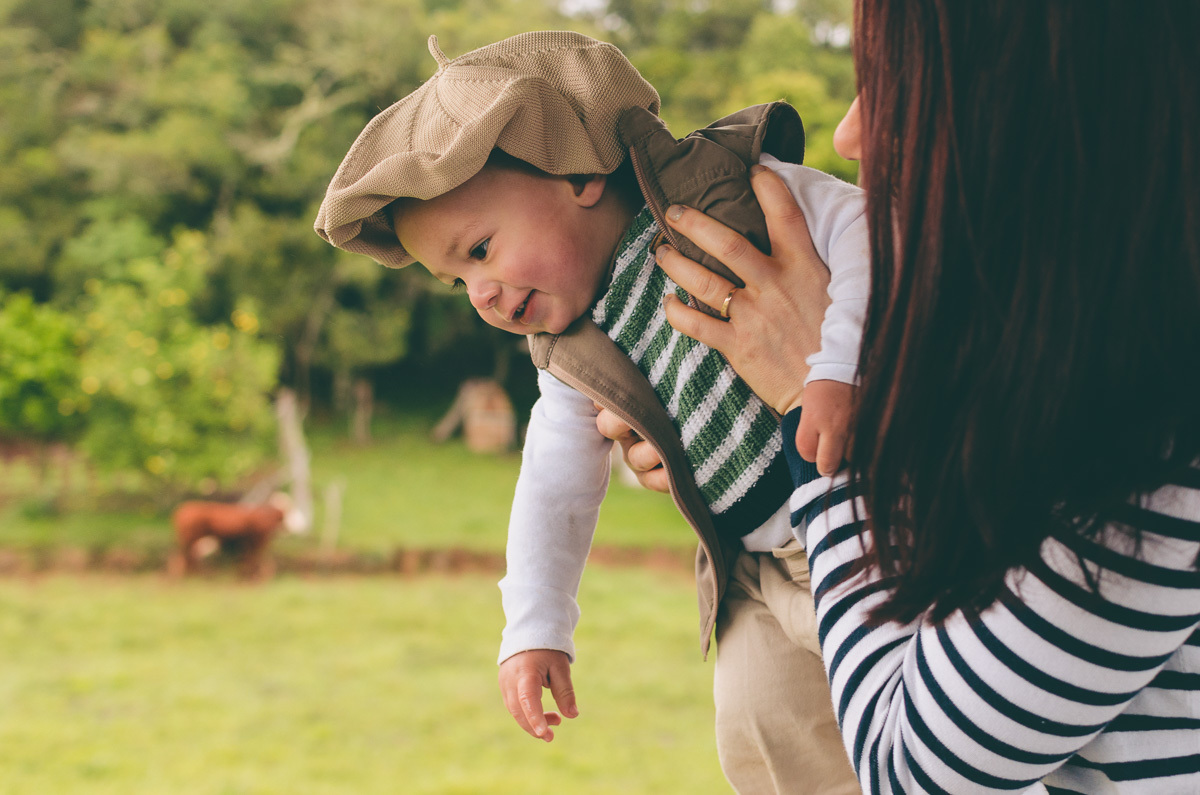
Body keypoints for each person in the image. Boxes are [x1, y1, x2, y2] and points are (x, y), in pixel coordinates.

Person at [601, 1, 1200, 792]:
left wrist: (810, 402)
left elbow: (906, 764)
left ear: (1050, 110)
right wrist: (722, 427)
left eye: (898, 84)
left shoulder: (1153, 454)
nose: (852, 135)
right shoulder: (1099, 373)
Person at [314, 31, 865, 793]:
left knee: (918, 726)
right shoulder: (579, 346)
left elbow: (870, 232)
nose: (480, 295)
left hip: (872, 523)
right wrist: (534, 624)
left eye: (480, 250)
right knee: (760, 733)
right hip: (755, 570)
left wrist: (838, 364)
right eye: (456, 282)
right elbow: (553, 484)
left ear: (577, 173)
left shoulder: (728, 196)